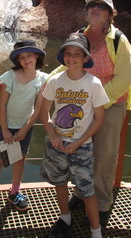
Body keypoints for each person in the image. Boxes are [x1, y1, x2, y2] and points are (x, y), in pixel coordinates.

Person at [49, 0, 131, 227]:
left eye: (102, 6)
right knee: (82, 154)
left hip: (110, 104)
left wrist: (95, 102)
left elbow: (123, 80)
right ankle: (81, 194)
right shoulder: (81, 35)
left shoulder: (118, 40)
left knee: (105, 156)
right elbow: (69, 62)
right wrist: (46, 81)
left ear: (109, 13)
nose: (95, 8)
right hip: (84, 106)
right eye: (91, 5)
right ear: (87, 11)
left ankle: (102, 203)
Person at [0, 40, 48, 223]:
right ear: (17, 60)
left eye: (29, 55)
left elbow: (38, 109)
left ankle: (14, 193)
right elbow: (2, 104)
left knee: (19, 161)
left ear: (37, 56)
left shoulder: (43, 78)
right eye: (22, 57)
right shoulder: (10, 76)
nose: (26, 60)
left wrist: (24, 130)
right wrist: (5, 129)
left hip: (25, 128)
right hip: (7, 127)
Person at [40, 33, 109, 238]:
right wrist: (52, 134)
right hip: (57, 144)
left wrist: (79, 142)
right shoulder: (56, 81)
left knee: (87, 191)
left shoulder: (94, 84)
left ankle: (96, 232)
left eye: (77, 54)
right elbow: (44, 111)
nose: (72, 58)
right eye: (68, 53)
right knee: (59, 183)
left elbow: (99, 119)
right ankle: (65, 218)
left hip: (82, 146)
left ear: (85, 57)